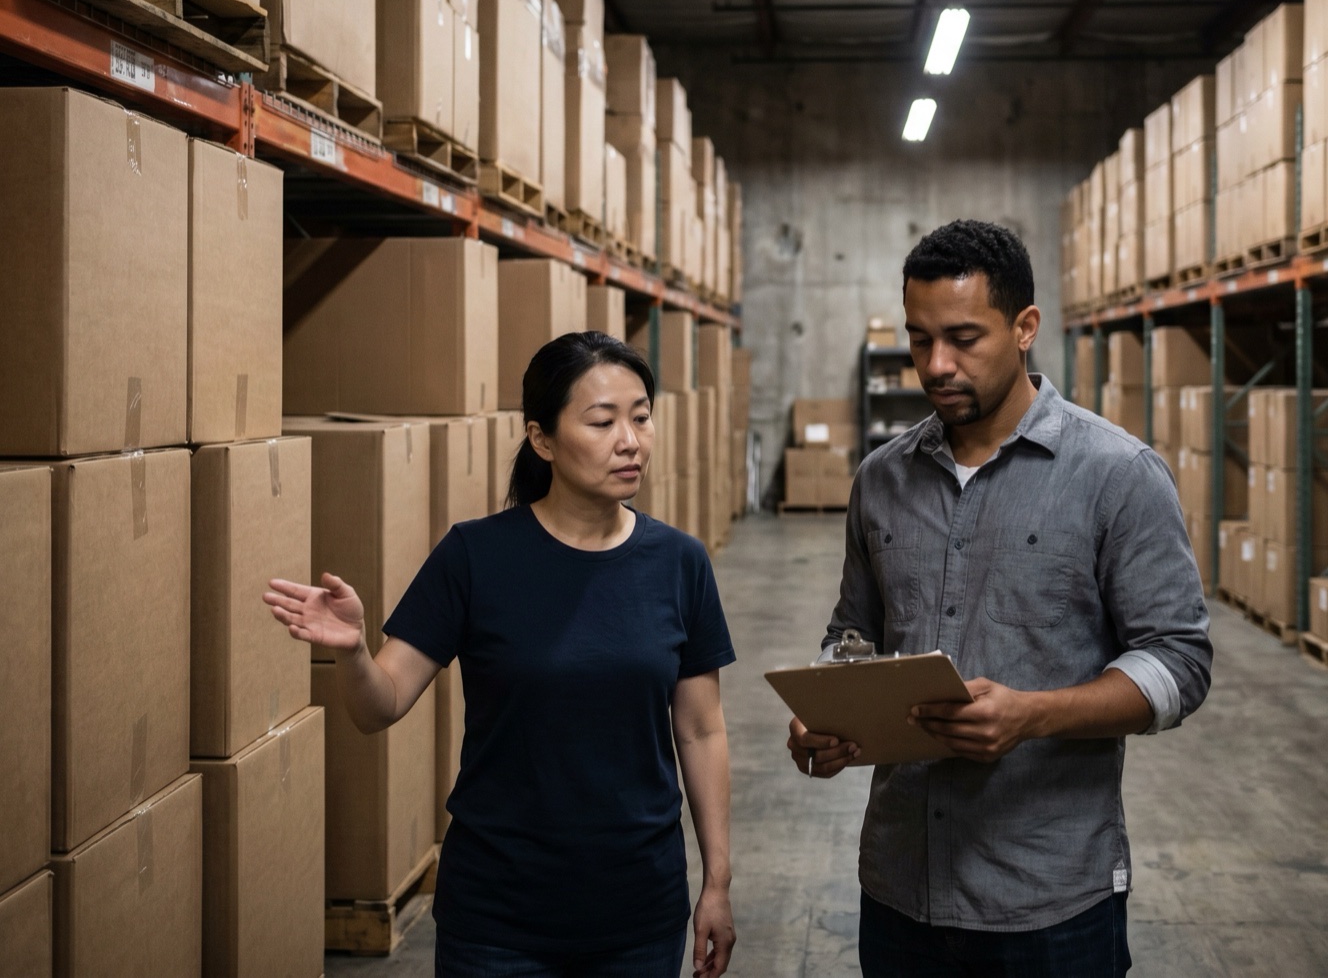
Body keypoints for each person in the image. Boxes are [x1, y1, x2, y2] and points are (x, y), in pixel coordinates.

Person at [786, 220, 1212, 977]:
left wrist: (1034, 715)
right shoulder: (881, 479)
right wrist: (828, 712)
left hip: (1048, 901)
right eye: (920, 340)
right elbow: (852, 634)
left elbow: (1179, 663)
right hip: (900, 889)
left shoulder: (1117, 475)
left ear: (1024, 328)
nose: (936, 365)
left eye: (963, 339)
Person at [265, 332, 737, 978]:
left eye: (641, 417)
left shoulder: (680, 563)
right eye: (602, 422)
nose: (630, 441)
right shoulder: (475, 556)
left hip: (636, 910)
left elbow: (701, 730)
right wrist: (352, 652)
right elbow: (380, 706)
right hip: (497, 917)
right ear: (542, 439)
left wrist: (717, 882)